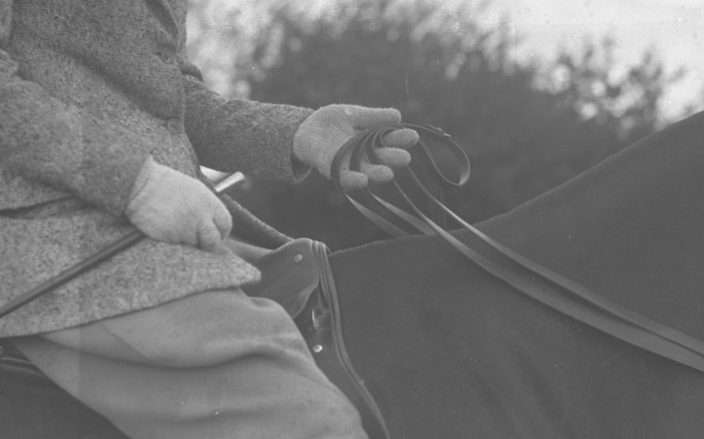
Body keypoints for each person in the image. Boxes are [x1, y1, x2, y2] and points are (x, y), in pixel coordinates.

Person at [0, 1, 418, 438]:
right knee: (309, 423)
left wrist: (295, 134)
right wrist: (132, 183)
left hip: (160, 230)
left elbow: (165, 102)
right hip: (56, 236)